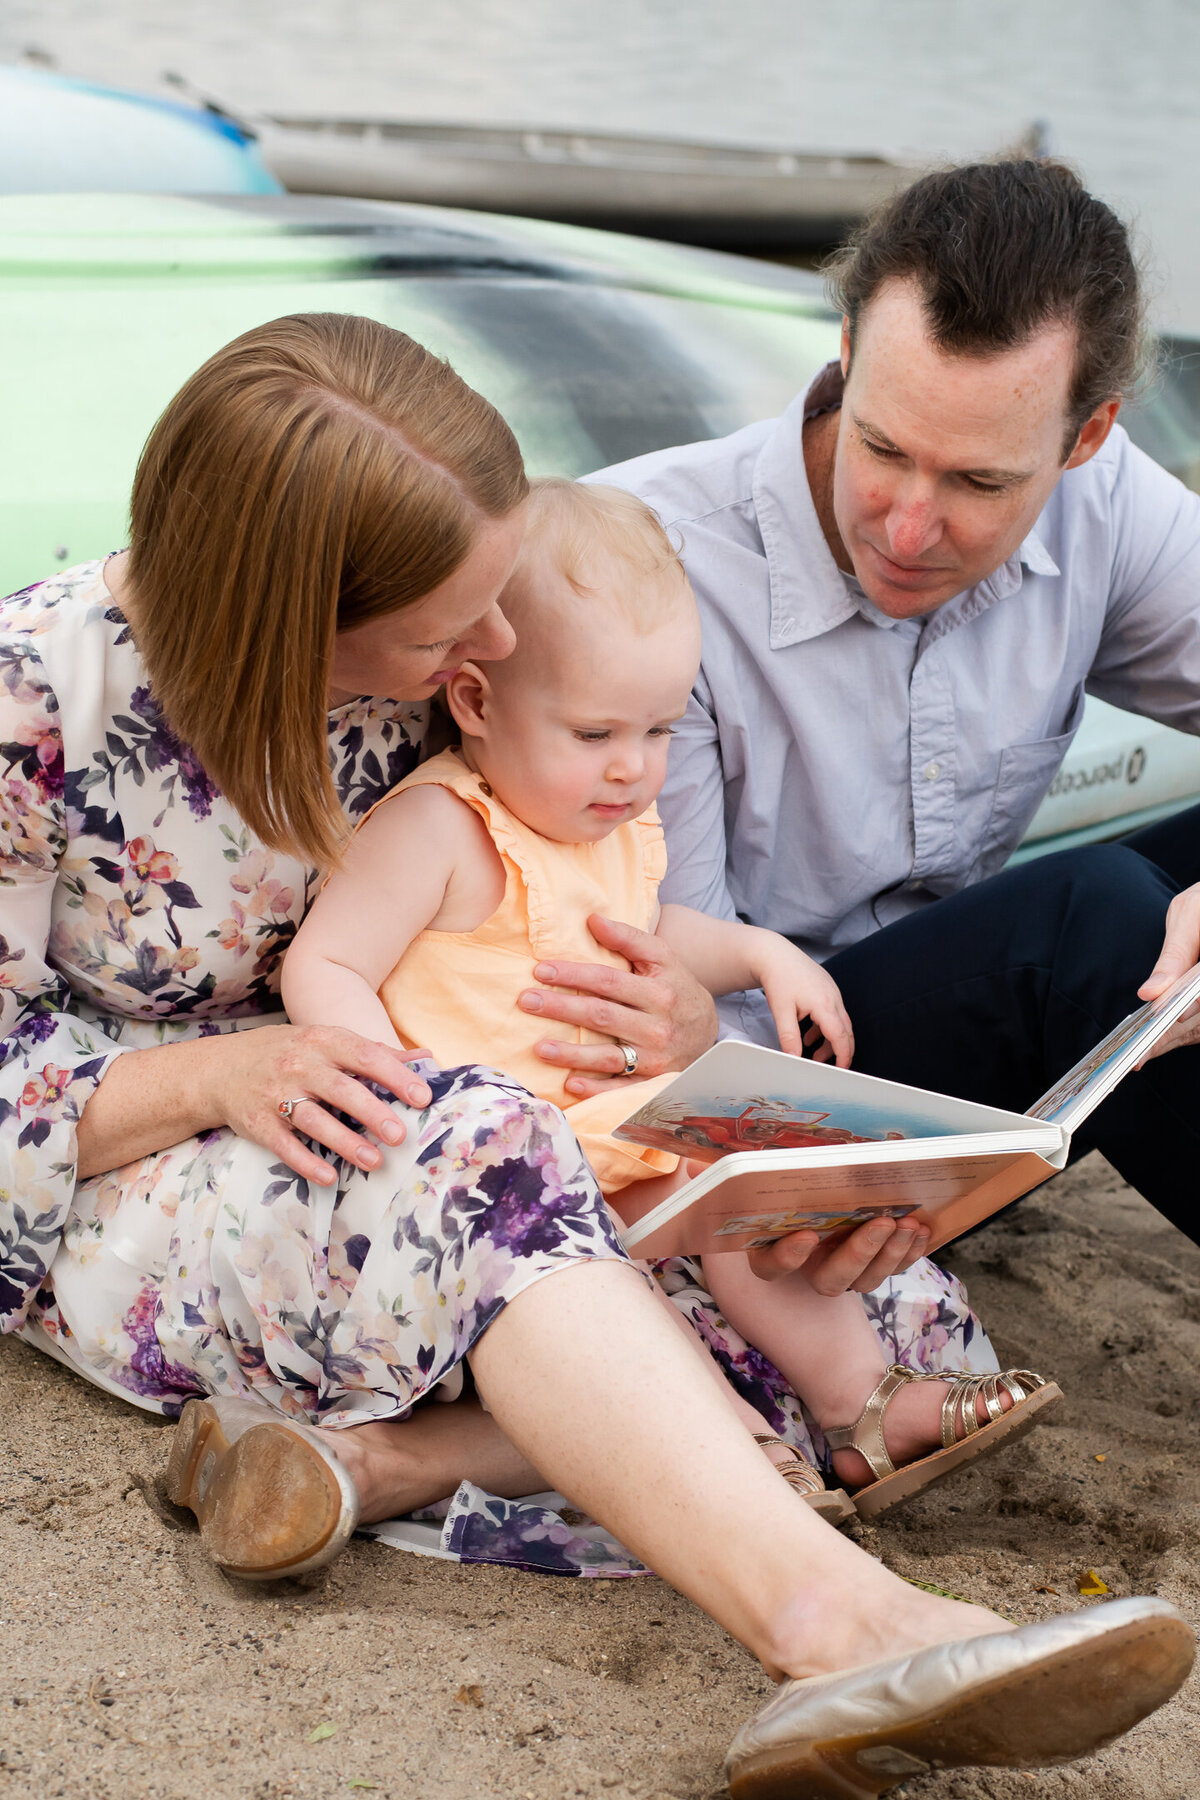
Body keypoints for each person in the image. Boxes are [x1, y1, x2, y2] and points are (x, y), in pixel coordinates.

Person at [0, 310, 1189, 1794]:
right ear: (296, 614)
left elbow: (581, 892)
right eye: (450, 631)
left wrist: (688, 1027)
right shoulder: (32, 704)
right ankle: (841, 1626)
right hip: (148, 1171)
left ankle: (373, 1466)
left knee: (777, 1253)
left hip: (404, 1112)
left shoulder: (441, 673)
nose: (489, 650)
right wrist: (224, 1073)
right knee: (502, 1152)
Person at [283, 475, 1060, 1522]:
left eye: (658, 732)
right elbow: (324, 963)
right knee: (634, 1284)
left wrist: (759, 954)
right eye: (598, 733)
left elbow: (653, 935)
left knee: (746, 1195)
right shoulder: (441, 831)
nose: (633, 771)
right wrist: (396, 1093)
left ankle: (864, 1405)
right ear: (475, 699)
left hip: (617, 1144)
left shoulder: (606, 831)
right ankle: (728, 1448)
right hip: (502, 1169)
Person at [583, 158, 1200, 1262]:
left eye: (979, 484)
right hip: (745, 1092)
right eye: (882, 450)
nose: (908, 528)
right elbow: (678, 1036)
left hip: (982, 1070)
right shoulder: (641, 566)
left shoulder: (1106, 499)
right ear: (847, 358)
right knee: (1098, 927)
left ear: (1088, 436)